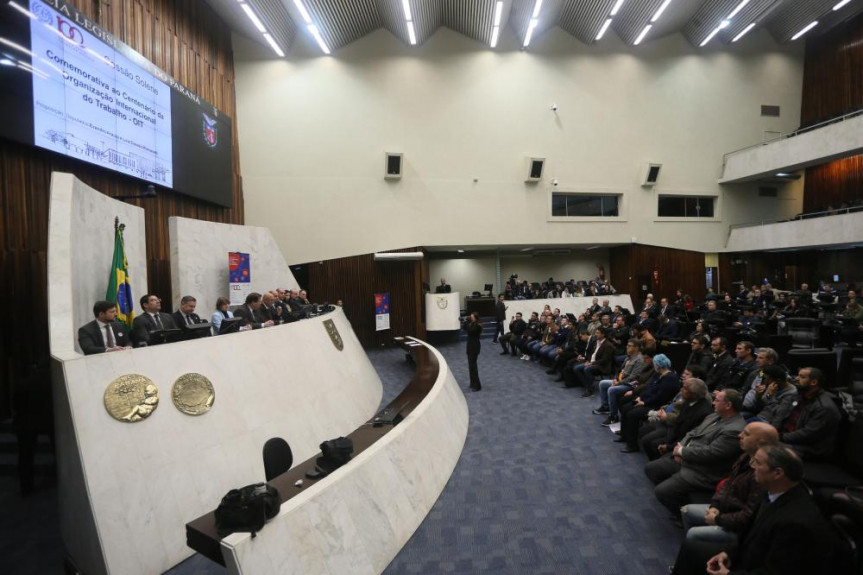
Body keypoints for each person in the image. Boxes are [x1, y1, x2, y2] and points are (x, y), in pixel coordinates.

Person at [672, 445, 835, 575]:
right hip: (748, 555)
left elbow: (775, 572)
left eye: (757, 462)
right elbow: (748, 534)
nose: (752, 466)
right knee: (690, 548)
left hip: (756, 566)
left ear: (777, 473)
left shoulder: (795, 523)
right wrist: (728, 554)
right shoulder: (770, 491)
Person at [645, 389, 746, 515]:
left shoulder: (734, 430)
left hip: (703, 471)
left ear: (728, 405)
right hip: (687, 457)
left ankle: (683, 515)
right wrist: (681, 448)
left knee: (662, 492)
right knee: (651, 469)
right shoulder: (714, 416)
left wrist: (682, 452)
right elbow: (693, 432)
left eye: (717, 400)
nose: (713, 403)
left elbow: (711, 453)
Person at [678, 422, 778, 545]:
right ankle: (696, 550)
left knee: (694, 533)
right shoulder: (746, 457)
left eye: (746, 434)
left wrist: (718, 519)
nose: (740, 435)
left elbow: (748, 517)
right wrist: (715, 505)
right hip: (726, 510)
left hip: (741, 529)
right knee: (687, 511)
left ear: (760, 442)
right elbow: (727, 484)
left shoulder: (763, 474)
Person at [463, 312, 483, 392]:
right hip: (470, 346)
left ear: (475, 318)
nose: (470, 318)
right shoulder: (472, 324)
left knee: (473, 366)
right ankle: (472, 383)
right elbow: (465, 329)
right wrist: (465, 322)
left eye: (471, 317)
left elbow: (470, 331)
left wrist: (466, 322)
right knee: (471, 366)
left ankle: (477, 386)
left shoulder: (477, 326)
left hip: (474, 347)